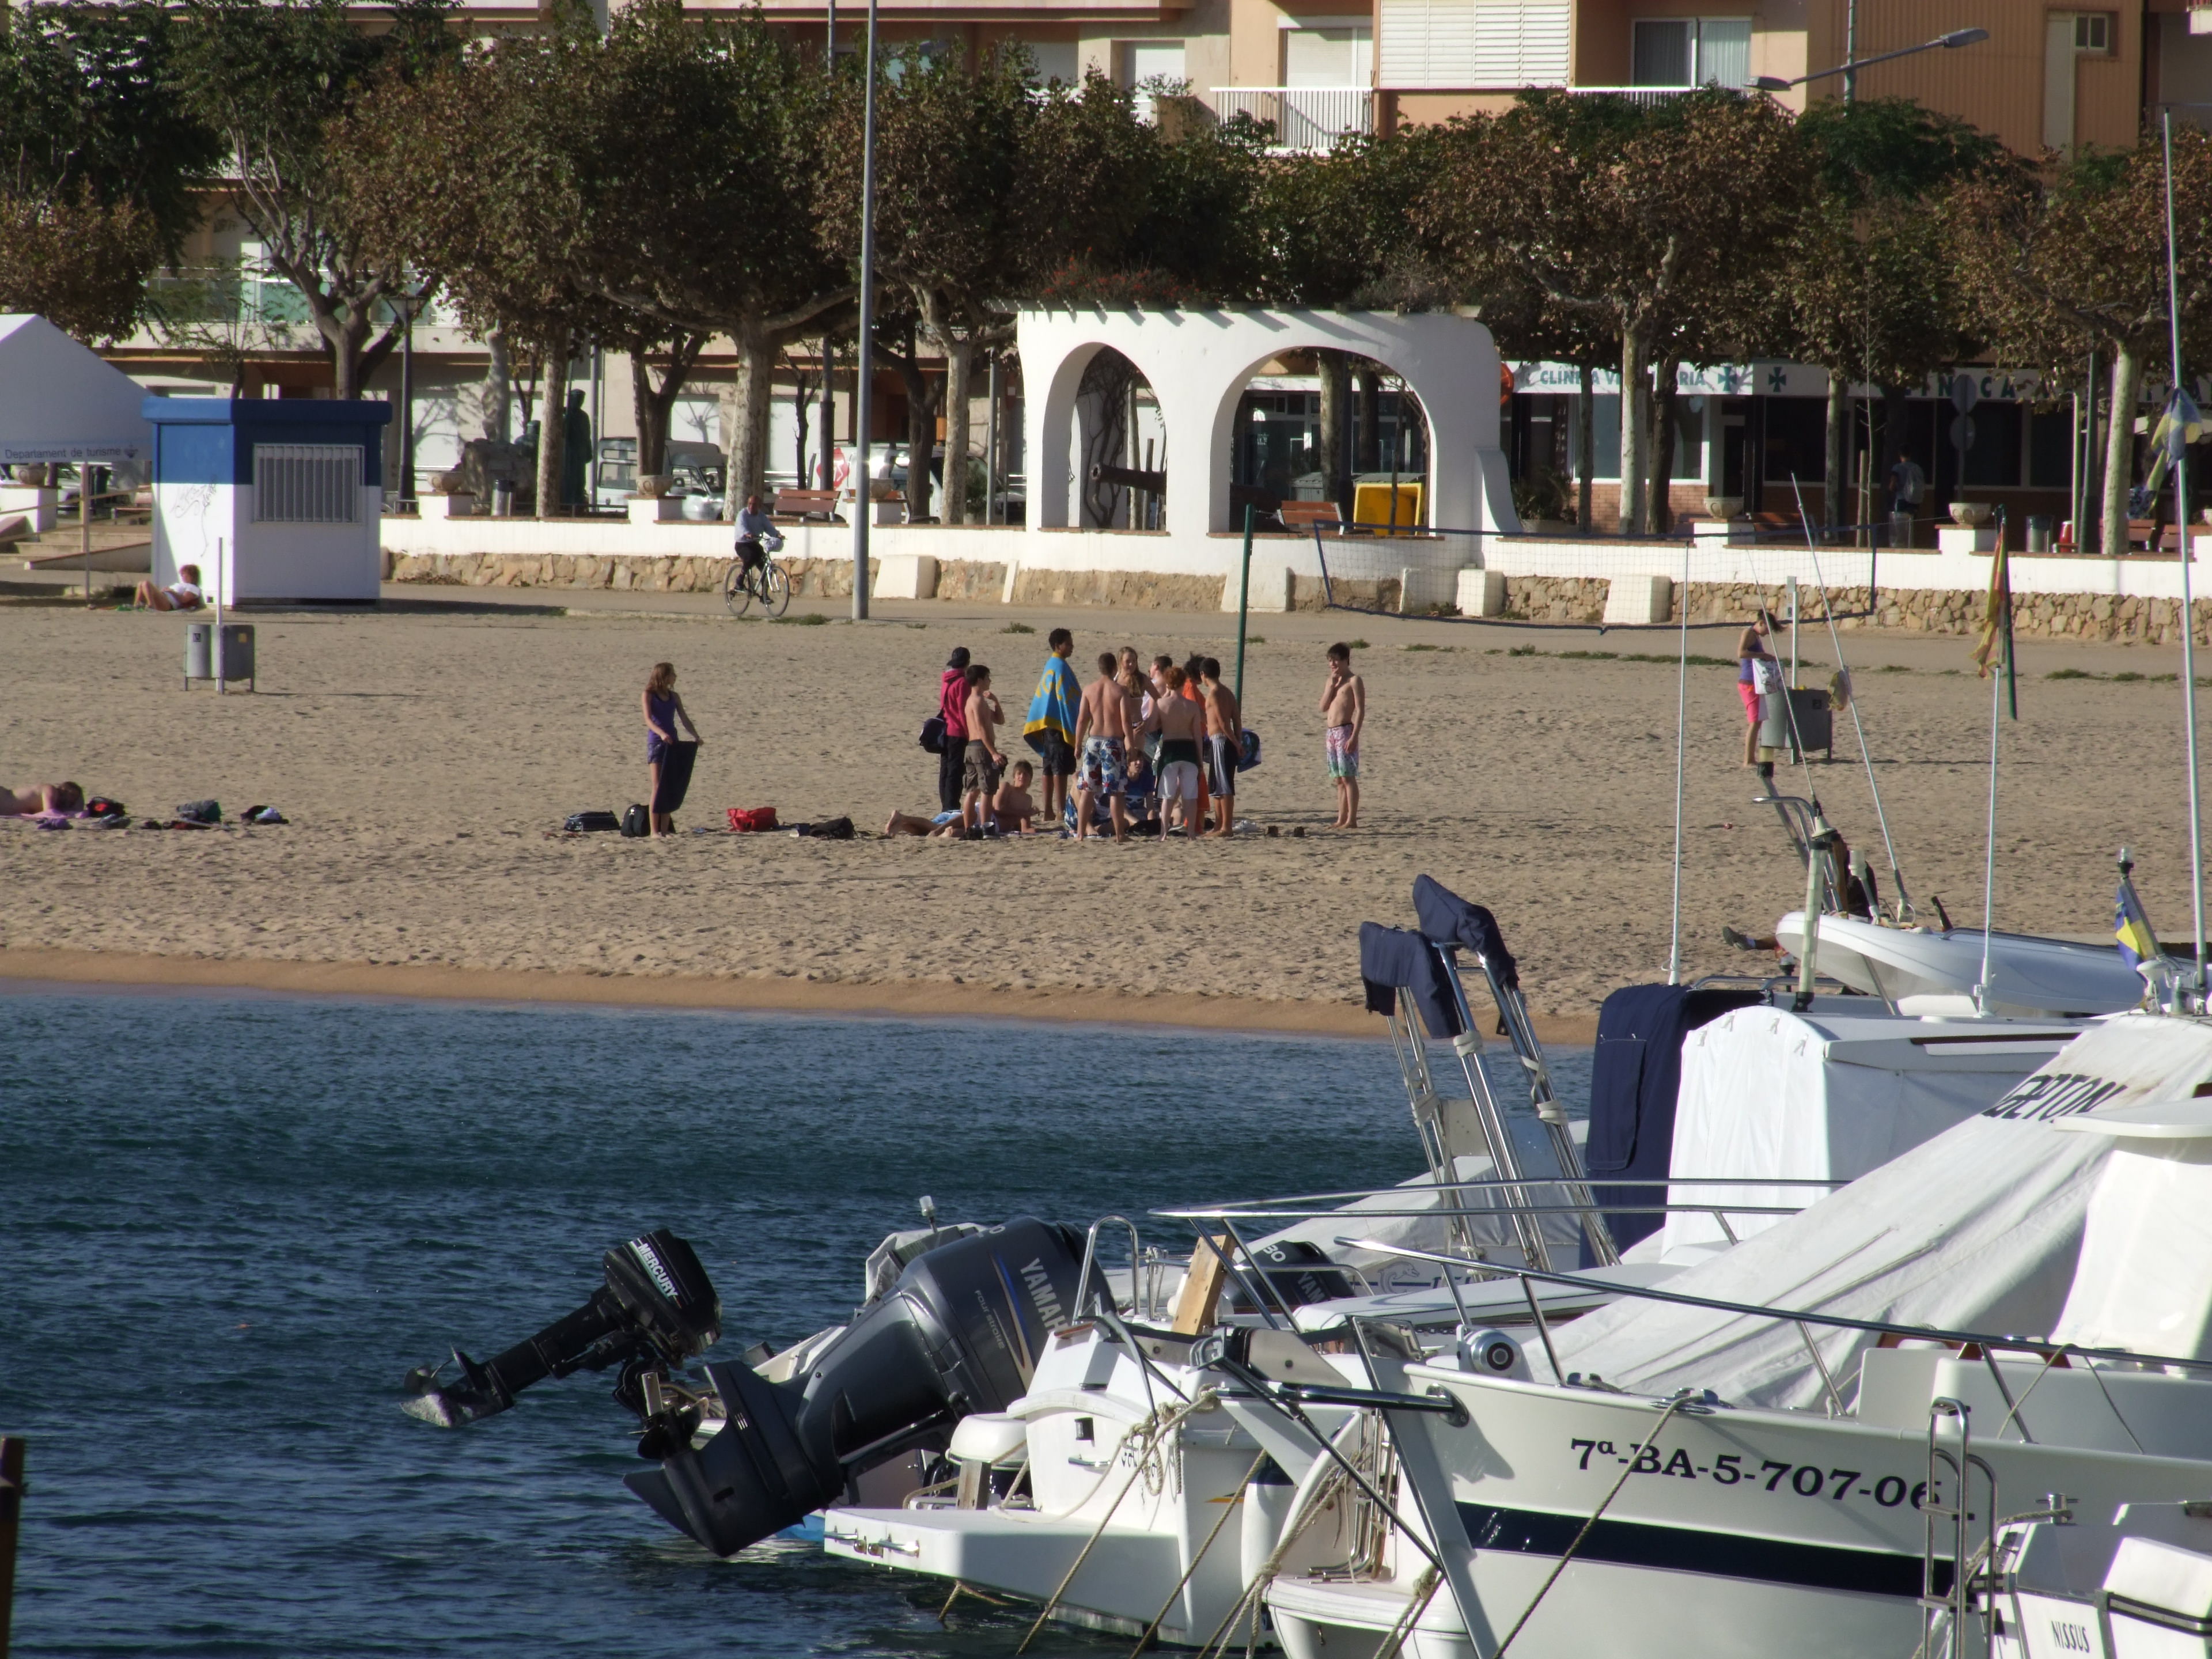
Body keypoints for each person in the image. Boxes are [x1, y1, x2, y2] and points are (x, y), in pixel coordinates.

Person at [1072, 651, 1134, 843]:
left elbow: (1082, 720)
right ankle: (1120, 834)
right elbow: (1126, 720)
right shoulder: (1121, 691)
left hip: (1093, 741)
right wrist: (1131, 745)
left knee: (1088, 790)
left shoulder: (1089, 690)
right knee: (1115, 791)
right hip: (1112, 742)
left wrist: (1077, 744)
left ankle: (1080, 834)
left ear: (1100, 668)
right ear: (1115, 667)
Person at [1023, 627, 1080, 825]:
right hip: (1058, 726)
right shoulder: (1060, 666)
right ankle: (1060, 810)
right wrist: (1073, 723)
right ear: (1058, 646)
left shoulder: (1052, 663)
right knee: (1059, 769)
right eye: (1069, 644)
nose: (1072, 647)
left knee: (1048, 767)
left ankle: (1048, 810)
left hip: (1048, 725)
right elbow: (1066, 698)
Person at [1145, 665, 1207, 839]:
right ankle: (1191, 833)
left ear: (1168, 683)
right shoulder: (1192, 706)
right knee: (1190, 795)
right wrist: (1200, 759)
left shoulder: (1162, 704)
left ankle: (1164, 833)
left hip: (1170, 749)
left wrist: (1164, 698)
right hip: (1188, 749)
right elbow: (1197, 735)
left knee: (1167, 796)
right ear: (1183, 683)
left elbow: (1151, 726)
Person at [642, 661, 703, 838]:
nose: (675, 677)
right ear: (664, 676)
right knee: (657, 785)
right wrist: (662, 734)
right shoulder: (649, 694)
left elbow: (684, 718)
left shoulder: (674, 697)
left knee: (668, 786)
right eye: (672, 674)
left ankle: (665, 829)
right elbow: (648, 720)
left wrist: (695, 736)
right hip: (657, 743)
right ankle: (654, 831)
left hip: (672, 743)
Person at [1319, 641, 1365, 829]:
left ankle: (1352, 820)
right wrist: (1332, 686)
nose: (1333, 664)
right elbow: (1323, 707)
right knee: (1338, 779)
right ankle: (1341, 818)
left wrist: (1354, 736)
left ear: (1346, 660)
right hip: (1331, 732)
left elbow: (1360, 710)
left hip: (1345, 730)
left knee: (1348, 777)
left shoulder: (1354, 681)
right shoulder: (1332, 681)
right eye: (1330, 661)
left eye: (1336, 660)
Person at [961, 662, 1005, 835]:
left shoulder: (975, 701)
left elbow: (1000, 720)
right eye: (987, 678)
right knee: (988, 790)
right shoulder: (977, 701)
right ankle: (987, 829)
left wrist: (995, 702)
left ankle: (969, 829)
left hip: (972, 748)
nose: (990, 681)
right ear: (980, 680)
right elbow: (981, 729)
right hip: (981, 747)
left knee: (972, 790)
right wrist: (993, 753)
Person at [1738, 611, 1777, 776]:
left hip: (1756, 682)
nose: (1768, 633)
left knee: (1758, 721)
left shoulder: (1756, 636)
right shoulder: (1748, 633)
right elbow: (1741, 653)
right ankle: (1748, 760)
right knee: (1754, 722)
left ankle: (1751, 758)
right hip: (1748, 683)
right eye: (1767, 629)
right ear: (1761, 623)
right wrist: (1763, 655)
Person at [935, 647, 971, 813]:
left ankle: (946, 805)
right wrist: (969, 733)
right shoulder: (963, 682)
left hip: (946, 730)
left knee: (945, 770)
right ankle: (951, 806)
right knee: (955, 772)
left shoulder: (946, 680)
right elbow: (963, 711)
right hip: (957, 731)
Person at [733, 493, 785, 578]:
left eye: (754, 504)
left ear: (759, 506)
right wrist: (747, 533)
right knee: (751, 557)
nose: (751, 506)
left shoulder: (761, 516)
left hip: (754, 543)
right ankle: (740, 579)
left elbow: (769, 527)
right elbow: (741, 526)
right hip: (742, 544)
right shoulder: (743, 514)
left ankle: (765, 585)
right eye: (750, 504)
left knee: (764, 563)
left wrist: (777, 535)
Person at [1887, 450, 1926, 545]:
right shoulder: (1917, 468)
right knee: (1911, 524)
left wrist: (1892, 489)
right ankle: (1910, 543)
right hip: (1915, 500)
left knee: (1899, 524)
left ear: (1900, 455)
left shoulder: (1897, 468)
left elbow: (1892, 485)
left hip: (1902, 499)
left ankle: (1901, 543)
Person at [133, 563, 203, 612]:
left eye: (184, 574)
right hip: (165, 598)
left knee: (146, 583)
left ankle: (151, 606)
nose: (182, 576)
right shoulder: (182, 584)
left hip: (169, 603)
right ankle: (136, 605)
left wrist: (171, 592)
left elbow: (183, 600)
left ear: (191, 575)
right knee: (140, 584)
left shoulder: (193, 587)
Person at [1, 781, 84, 815]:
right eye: (72, 795)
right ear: (64, 790)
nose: (72, 800)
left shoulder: (56, 802)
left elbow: (78, 808)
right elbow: (49, 812)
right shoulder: (51, 790)